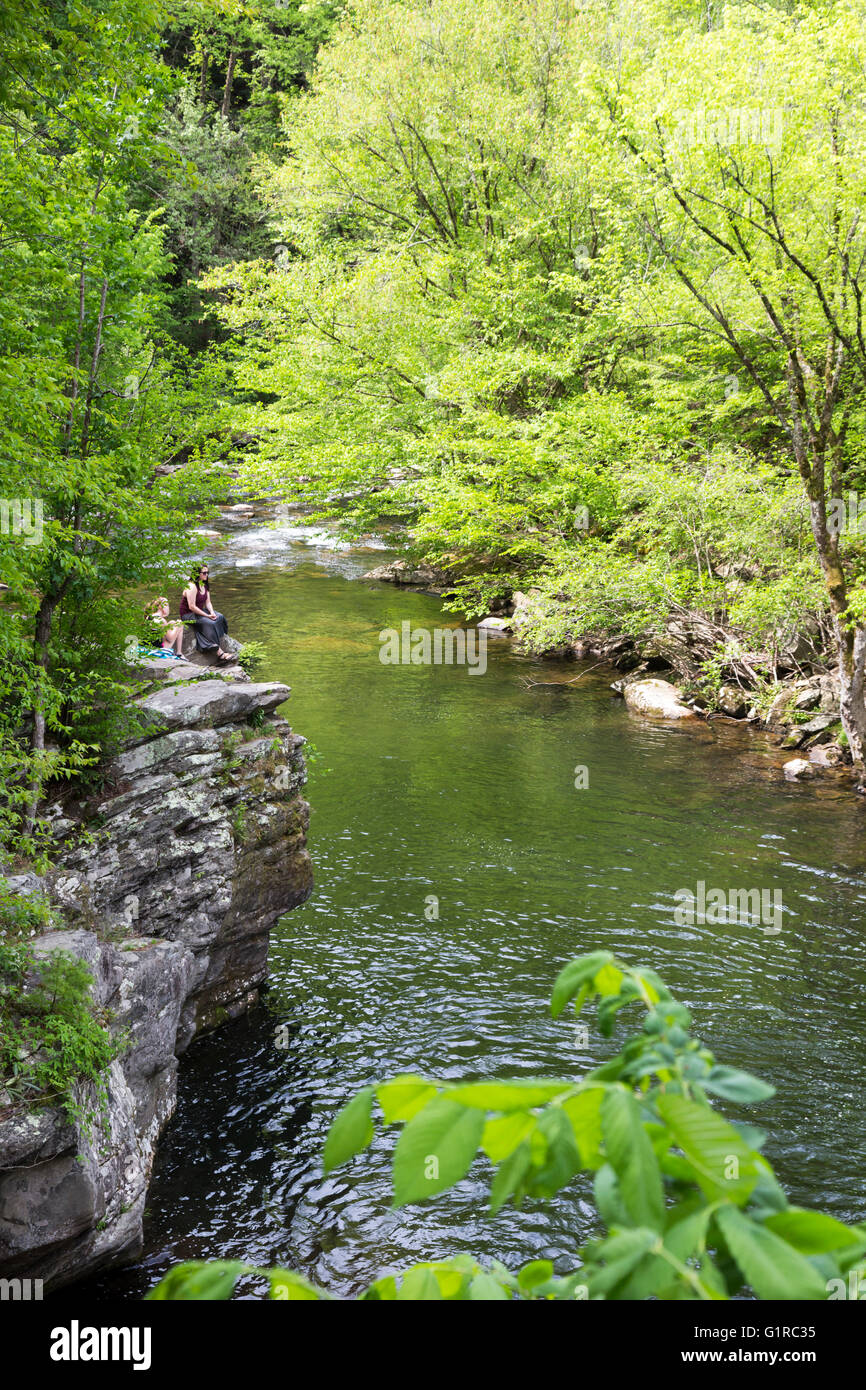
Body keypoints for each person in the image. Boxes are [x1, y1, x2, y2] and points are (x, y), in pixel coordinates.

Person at [180, 564, 235, 661]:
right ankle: (219, 652)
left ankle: (221, 640)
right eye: (204, 573)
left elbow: (208, 602)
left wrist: (212, 612)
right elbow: (191, 606)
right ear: (197, 574)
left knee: (220, 617)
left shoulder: (204, 584)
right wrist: (207, 616)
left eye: (207, 573)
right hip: (188, 614)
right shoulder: (191, 586)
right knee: (210, 623)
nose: (206, 575)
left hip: (199, 611)